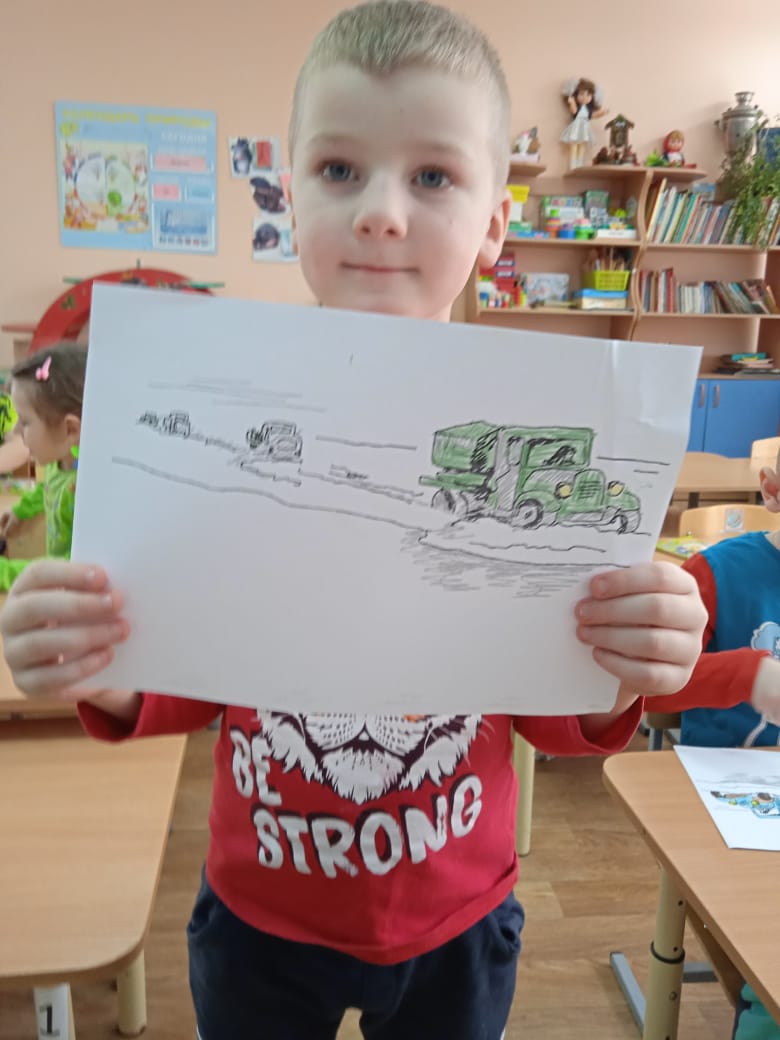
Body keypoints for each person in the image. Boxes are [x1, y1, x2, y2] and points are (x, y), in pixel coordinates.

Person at [0, 3, 729, 1038]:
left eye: (433, 175)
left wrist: (631, 658)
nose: (382, 212)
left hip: (457, 919)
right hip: (260, 914)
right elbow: (180, 674)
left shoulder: (552, 425)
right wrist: (94, 658)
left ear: (495, 223)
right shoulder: (223, 412)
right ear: (288, 196)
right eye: (339, 169)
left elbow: (557, 713)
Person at [673, 461, 780, 1040]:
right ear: (772, 489)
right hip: (730, 799)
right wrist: (746, 676)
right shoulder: (715, 574)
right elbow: (646, 686)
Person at [0, 343, 85, 590]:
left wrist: (5, 573)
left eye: (25, 422)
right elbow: (48, 487)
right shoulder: (62, 461)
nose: (16, 431)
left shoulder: (85, 489)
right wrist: (22, 510)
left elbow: (71, 568)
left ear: (70, 430)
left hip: (71, 595)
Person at [560, 77, 607, 169]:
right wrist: (572, 102)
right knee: (574, 146)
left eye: (588, 95)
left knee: (582, 147)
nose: (585, 97)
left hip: (585, 129)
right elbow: (574, 111)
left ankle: (579, 164)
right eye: (581, 94)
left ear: (592, 97)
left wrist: (602, 113)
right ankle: (573, 165)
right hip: (576, 128)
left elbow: (593, 115)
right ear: (576, 95)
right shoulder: (578, 107)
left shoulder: (588, 109)